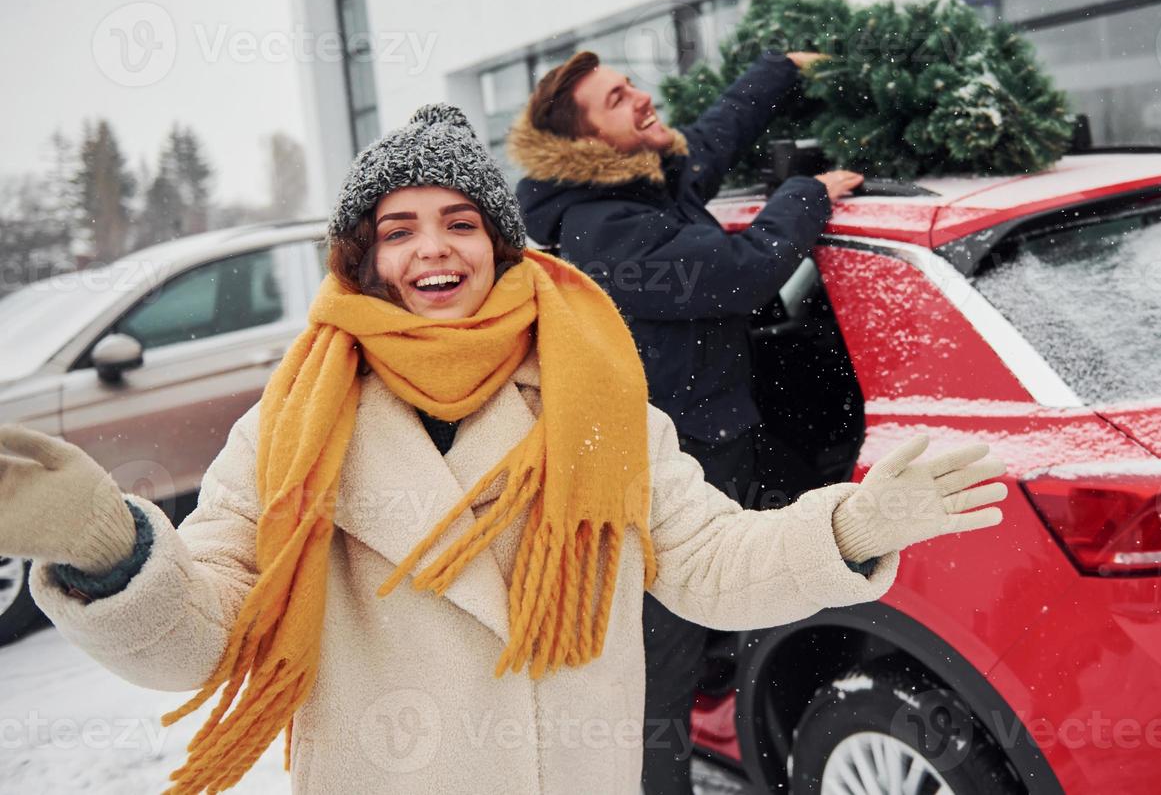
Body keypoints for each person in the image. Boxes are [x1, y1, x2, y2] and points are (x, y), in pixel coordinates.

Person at [0, 103, 1008, 795]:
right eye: (399, 229)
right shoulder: (291, 420)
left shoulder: (596, 389)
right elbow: (215, 634)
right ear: (363, 257)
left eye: (459, 222)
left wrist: (844, 523)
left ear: (501, 243)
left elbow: (705, 560)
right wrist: (109, 549)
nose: (432, 248)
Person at [510, 50, 860, 792]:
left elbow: (712, 136)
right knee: (661, 670)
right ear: (588, 141)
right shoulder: (603, 227)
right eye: (617, 98)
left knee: (731, 604)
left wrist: (778, 71)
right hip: (671, 469)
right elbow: (741, 273)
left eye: (630, 83)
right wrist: (806, 193)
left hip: (719, 435)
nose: (640, 97)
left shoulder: (638, 183)